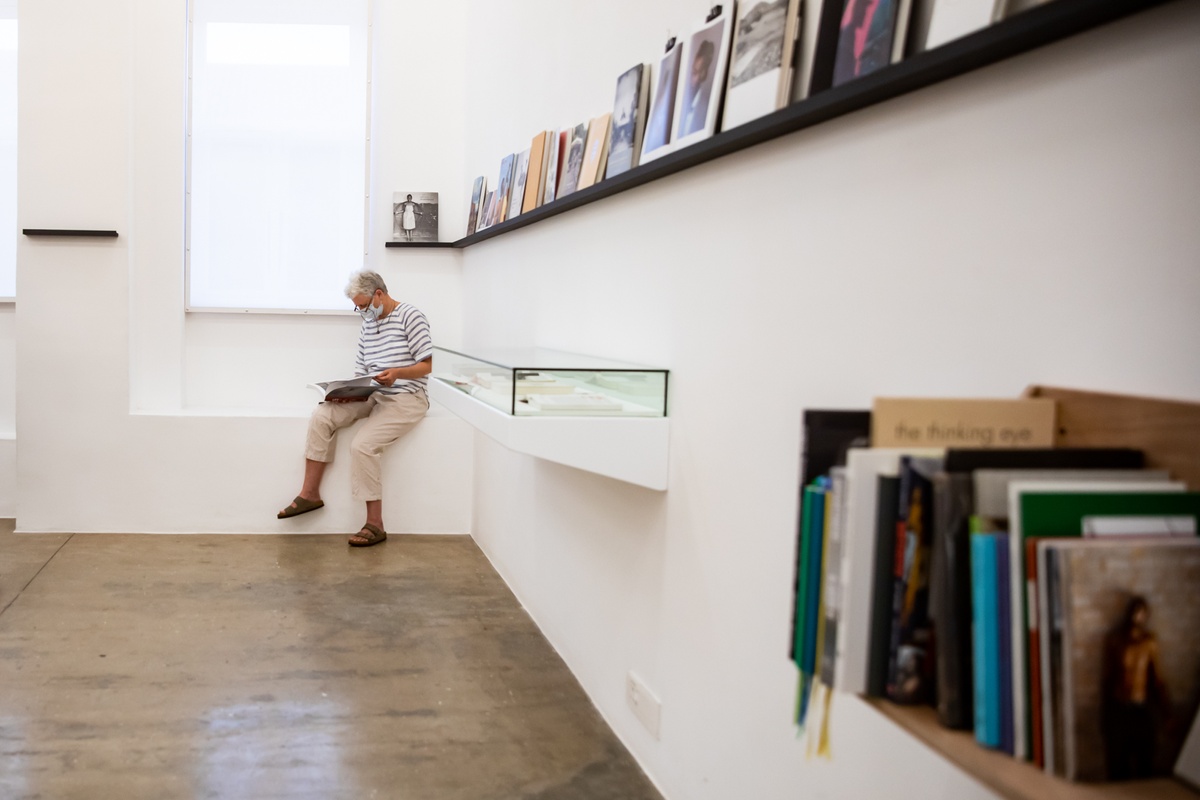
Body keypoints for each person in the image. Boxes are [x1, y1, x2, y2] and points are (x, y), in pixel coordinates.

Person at [277, 270, 433, 547]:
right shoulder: (368, 325)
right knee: (322, 415)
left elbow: (428, 365)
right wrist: (348, 393)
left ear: (379, 294)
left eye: (363, 305)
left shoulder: (411, 316)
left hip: (406, 397)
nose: (361, 311)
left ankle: (375, 524)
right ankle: (309, 494)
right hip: (373, 394)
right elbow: (362, 371)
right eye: (357, 307)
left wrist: (397, 373)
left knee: (362, 445)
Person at [1102, 595, 1170, 779]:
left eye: (1142, 613)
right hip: (1119, 705)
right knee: (1118, 759)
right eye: (1136, 612)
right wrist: (1105, 708)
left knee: (1145, 756)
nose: (1138, 617)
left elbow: (1156, 678)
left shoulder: (1149, 642)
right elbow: (1109, 675)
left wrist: (1166, 709)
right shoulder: (1116, 640)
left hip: (1141, 704)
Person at [681, 38, 716, 137]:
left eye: (696, 72)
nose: (693, 78)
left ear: (704, 74)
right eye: (693, 71)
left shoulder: (706, 105)